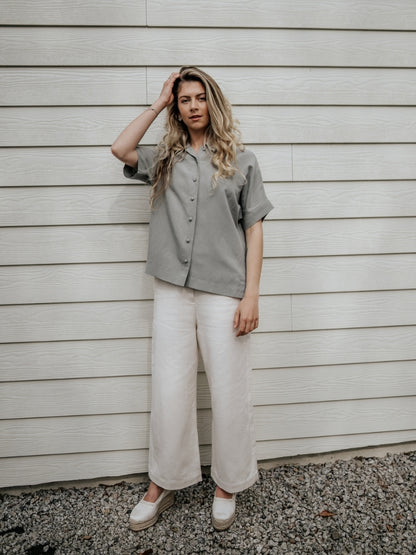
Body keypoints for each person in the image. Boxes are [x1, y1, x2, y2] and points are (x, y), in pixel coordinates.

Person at [111, 66, 273, 531]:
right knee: (169, 389)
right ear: (177, 109)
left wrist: (251, 295)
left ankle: (228, 484)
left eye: (200, 97)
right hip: (172, 291)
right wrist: (158, 101)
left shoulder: (242, 161)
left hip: (225, 292)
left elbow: (254, 230)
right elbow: (120, 149)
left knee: (229, 389)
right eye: (185, 100)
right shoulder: (164, 158)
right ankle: (161, 483)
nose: (194, 105)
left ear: (212, 102)